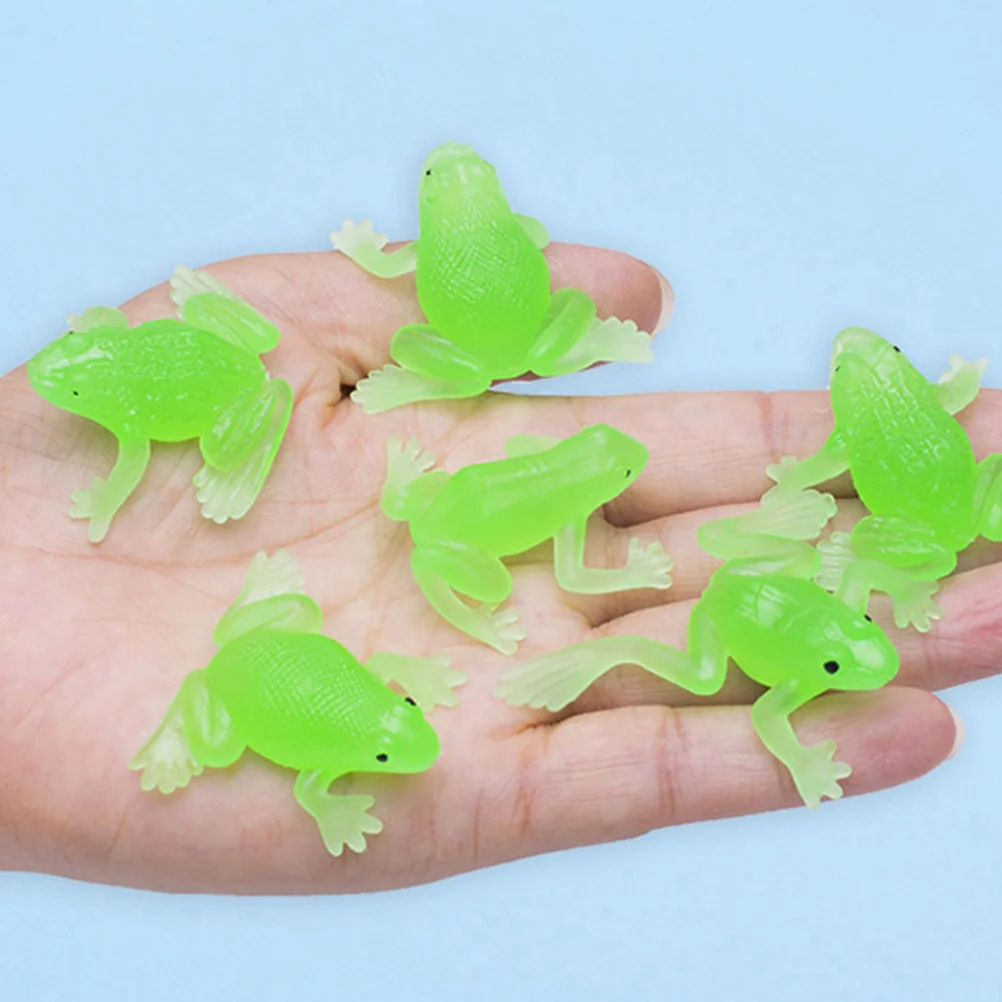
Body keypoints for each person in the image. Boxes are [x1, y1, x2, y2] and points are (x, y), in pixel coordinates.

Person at [0, 243, 978, 894]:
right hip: (435, 535)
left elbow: (551, 518)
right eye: (395, 739)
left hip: (441, 517)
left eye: (398, 731)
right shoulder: (574, 503)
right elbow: (580, 572)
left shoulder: (574, 490)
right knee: (231, 724)